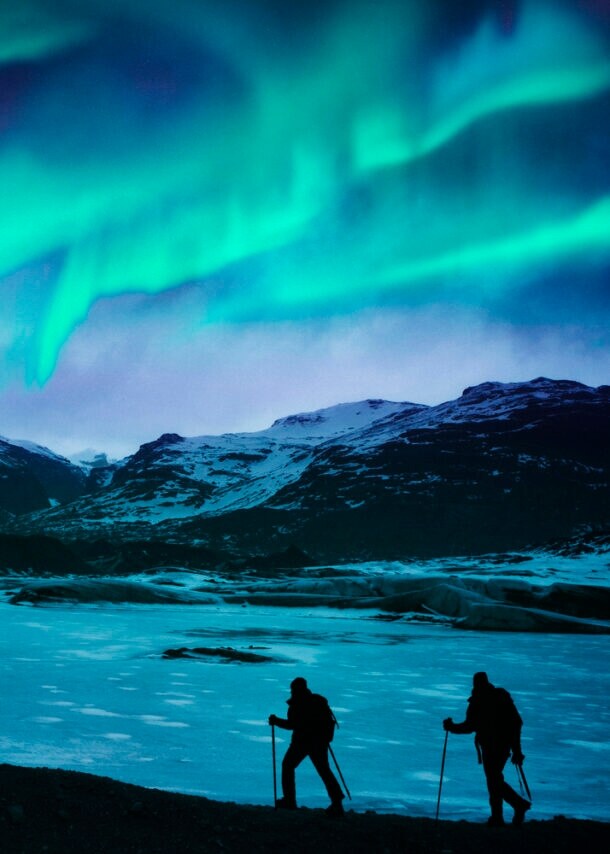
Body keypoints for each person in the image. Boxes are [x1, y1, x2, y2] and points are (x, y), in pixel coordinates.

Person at [443, 671, 531, 827]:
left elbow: (469, 726)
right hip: (500, 746)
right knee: (494, 779)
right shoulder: (499, 697)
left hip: (493, 746)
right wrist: (516, 750)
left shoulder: (479, 701)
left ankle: (513, 808)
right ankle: (500, 815)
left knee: (494, 779)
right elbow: (516, 723)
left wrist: (451, 727)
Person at [268, 676, 345, 815]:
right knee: (324, 770)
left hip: (302, 742)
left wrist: (275, 721)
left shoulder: (298, 703)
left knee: (288, 766)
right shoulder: (318, 701)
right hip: (319, 742)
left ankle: (289, 801)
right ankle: (337, 803)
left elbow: (292, 725)